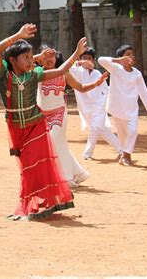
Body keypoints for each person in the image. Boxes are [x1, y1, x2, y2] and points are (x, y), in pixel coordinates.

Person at [0, 24, 86, 220]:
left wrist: (77, 53)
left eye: (31, 57)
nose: (30, 61)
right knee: (26, 169)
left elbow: (61, 71)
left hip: (36, 124)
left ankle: (42, 203)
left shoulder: (34, 75)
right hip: (16, 127)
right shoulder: (4, 75)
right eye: (26, 57)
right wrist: (18, 35)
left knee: (37, 164)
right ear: (12, 60)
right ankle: (29, 203)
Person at [36, 46, 105, 187]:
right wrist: (38, 57)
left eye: (52, 56)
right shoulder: (37, 73)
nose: (49, 59)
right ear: (40, 58)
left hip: (58, 113)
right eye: (45, 56)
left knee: (53, 140)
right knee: (59, 145)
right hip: (42, 115)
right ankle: (78, 173)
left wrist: (96, 83)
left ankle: (65, 178)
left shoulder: (64, 73)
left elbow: (80, 87)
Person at [98, 45, 147, 166]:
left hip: (131, 108)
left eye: (132, 54)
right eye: (128, 54)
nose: (131, 56)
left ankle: (125, 155)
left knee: (132, 131)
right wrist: (118, 60)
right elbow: (100, 60)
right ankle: (126, 157)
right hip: (117, 107)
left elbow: (143, 92)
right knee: (122, 134)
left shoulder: (137, 74)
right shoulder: (115, 68)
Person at [70, 48, 123, 160]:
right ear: (80, 59)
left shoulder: (97, 73)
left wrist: (106, 103)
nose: (87, 61)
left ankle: (87, 153)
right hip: (85, 106)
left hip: (99, 104)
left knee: (95, 128)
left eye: (89, 58)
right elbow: (67, 67)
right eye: (84, 58)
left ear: (93, 61)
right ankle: (121, 150)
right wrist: (80, 62)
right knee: (102, 129)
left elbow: (105, 90)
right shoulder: (76, 71)